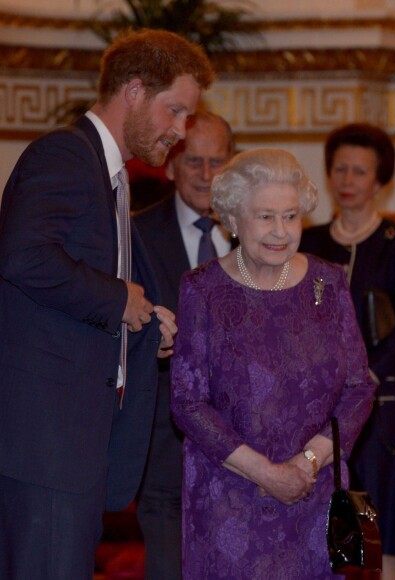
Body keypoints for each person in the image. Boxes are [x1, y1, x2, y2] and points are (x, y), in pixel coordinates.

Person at [0, 29, 214, 580]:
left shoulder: (111, 177)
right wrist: (120, 298)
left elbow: (85, 296)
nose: (181, 131)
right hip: (46, 445)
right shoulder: (66, 155)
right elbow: (23, 257)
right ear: (135, 91)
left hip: (75, 448)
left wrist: (144, 322)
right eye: (176, 111)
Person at [170, 148, 377, 579]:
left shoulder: (330, 283)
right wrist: (266, 473)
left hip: (314, 497)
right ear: (232, 219)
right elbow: (187, 402)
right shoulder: (202, 289)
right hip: (230, 503)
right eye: (265, 217)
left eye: (290, 216)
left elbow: (359, 386)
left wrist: (309, 462)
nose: (280, 232)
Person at [300, 122, 395, 579]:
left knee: (381, 529)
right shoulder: (309, 242)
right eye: (340, 170)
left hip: (380, 403)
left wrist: (367, 375)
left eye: (360, 172)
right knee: (322, 525)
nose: (348, 181)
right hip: (316, 405)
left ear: (380, 181)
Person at [134, 111, 235, 580]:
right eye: (194, 160)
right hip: (164, 448)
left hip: (244, 452)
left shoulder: (258, 235)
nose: (207, 175)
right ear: (170, 164)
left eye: (218, 161)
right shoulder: (135, 234)